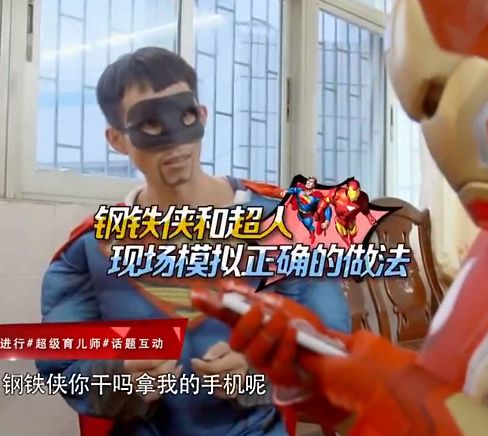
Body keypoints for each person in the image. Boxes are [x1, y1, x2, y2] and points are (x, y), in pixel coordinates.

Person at [193, 0, 488, 434]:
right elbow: (459, 387)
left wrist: (376, 392)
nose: (437, 133)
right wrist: (330, 375)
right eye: (419, 113)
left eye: (437, 96)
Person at [36, 47, 351, 436]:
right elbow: (62, 363)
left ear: (201, 115)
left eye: (183, 116)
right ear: (117, 139)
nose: (174, 142)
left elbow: (332, 347)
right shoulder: (89, 249)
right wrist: (116, 380)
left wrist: (259, 374)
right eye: (149, 123)